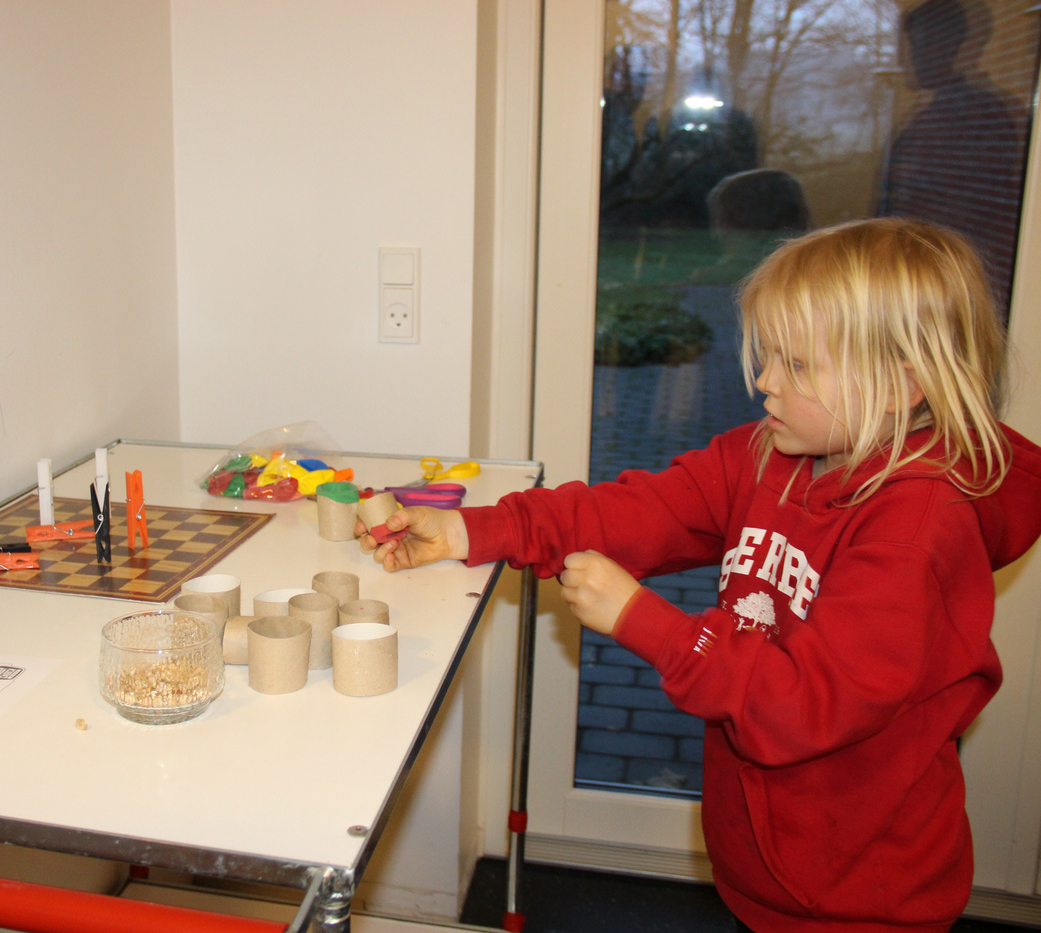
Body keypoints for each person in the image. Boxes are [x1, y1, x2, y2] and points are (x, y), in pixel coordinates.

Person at [362, 218, 1041, 933]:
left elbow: (803, 705)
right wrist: (472, 530)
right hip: (768, 863)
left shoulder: (919, 530)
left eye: (797, 365)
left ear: (901, 385)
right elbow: (638, 512)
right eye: (768, 356)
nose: (765, 382)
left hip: (861, 897)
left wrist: (646, 621)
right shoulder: (769, 455)